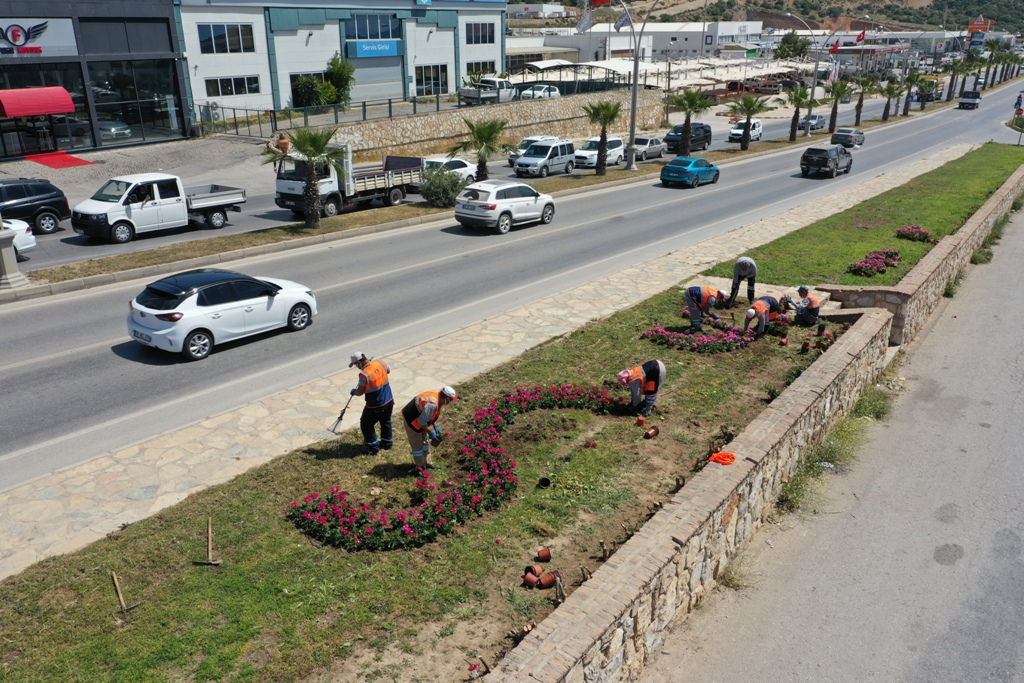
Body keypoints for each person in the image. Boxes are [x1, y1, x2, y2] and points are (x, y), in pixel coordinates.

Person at [401, 386, 458, 470]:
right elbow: (421, 422)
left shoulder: (439, 399)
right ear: (446, 398)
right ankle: (420, 467)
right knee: (417, 446)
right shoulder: (432, 404)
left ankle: (428, 462)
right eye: (450, 400)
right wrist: (430, 432)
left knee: (424, 442)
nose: (450, 402)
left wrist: (435, 425)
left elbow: (431, 415)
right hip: (412, 420)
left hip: (421, 418)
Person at [348, 352, 394, 455]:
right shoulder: (380, 362)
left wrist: (353, 392)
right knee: (386, 420)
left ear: (359, 362)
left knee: (366, 424)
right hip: (389, 400)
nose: (357, 367)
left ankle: (373, 447)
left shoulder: (364, 374)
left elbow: (360, 392)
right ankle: (387, 443)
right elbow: (388, 371)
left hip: (375, 405)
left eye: (355, 365)